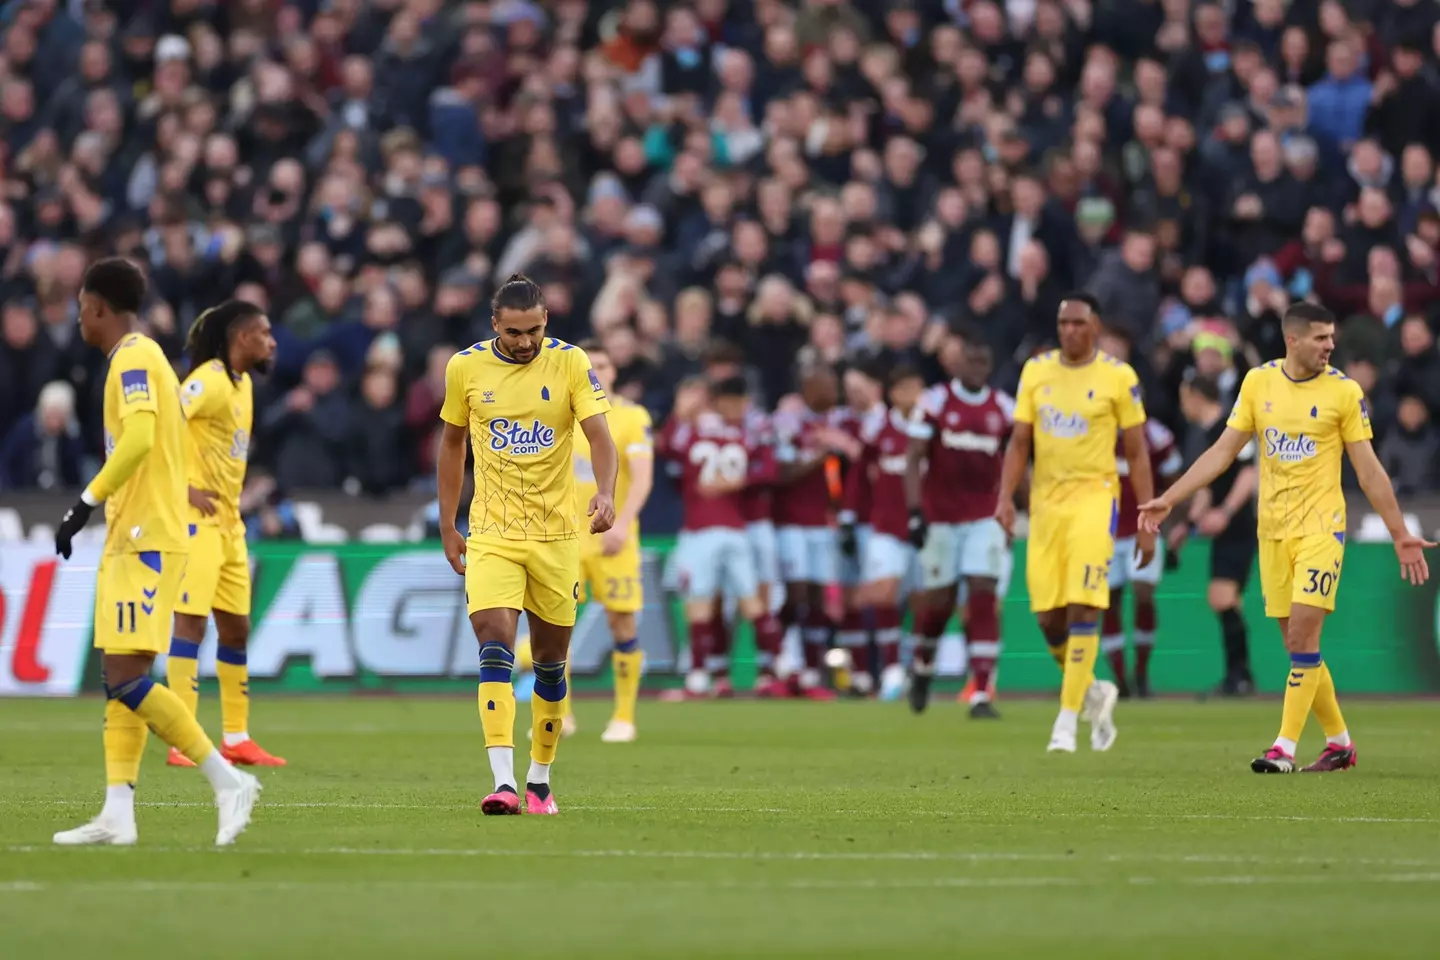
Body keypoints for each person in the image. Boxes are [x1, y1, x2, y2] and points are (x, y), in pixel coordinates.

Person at [1140, 302, 1434, 773]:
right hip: (1272, 532)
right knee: (1300, 648)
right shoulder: (1258, 383)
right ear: (1292, 340)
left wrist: (1399, 533)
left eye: (1332, 337)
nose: (1331, 346)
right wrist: (1169, 498)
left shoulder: (1344, 392)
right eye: (1321, 338)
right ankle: (1339, 744)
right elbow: (1221, 452)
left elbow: (1370, 470)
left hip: (1322, 529)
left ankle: (1283, 748)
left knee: (1302, 634)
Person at [52, 258, 260, 847]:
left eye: (81, 307)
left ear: (97, 308)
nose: (77, 318)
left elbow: (141, 437)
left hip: (146, 538)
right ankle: (118, 814)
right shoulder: (135, 357)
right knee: (121, 673)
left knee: (125, 674)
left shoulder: (135, 357)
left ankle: (226, 781)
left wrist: (84, 501)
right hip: (136, 534)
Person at [436, 274, 618, 816]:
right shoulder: (464, 367)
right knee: (493, 642)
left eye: (534, 330)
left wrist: (605, 492)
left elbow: (600, 436)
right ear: (495, 324)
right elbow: (451, 445)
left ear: (545, 323)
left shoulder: (570, 362)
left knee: (550, 663)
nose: (524, 341)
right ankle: (503, 783)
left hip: (558, 536)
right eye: (514, 332)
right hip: (492, 533)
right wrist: (449, 523)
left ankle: (539, 778)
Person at [996, 293, 1155, 754]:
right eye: (1063, 322)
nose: (1069, 330)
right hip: (1045, 505)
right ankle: (1091, 692)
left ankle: (1065, 722)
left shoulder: (1118, 377)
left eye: (1078, 323)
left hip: (1094, 499)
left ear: (1095, 326)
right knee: (1047, 618)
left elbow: (1137, 451)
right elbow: (1019, 441)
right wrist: (1006, 498)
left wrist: (1146, 515)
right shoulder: (1036, 371)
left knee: (1085, 606)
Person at [164, 301, 285, 770]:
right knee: (190, 624)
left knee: (235, 627)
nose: (272, 341)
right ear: (242, 338)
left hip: (230, 524)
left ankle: (235, 736)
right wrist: (184, 487)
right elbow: (158, 427)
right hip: (195, 524)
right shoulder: (208, 380)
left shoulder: (244, 385)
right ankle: (181, 738)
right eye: (265, 332)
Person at [905, 332, 1014, 718]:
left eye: (983, 362)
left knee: (983, 592)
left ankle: (982, 691)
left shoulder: (1004, 408)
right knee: (940, 602)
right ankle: (922, 666)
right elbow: (914, 458)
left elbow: (1017, 462)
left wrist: (1019, 507)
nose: (977, 368)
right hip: (941, 516)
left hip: (984, 515)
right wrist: (915, 512)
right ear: (957, 363)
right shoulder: (934, 402)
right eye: (970, 360)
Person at [663, 376, 789, 697]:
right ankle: (785, 664)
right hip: (735, 528)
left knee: (700, 604)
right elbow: (770, 467)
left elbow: (667, 446)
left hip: (701, 530)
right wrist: (740, 481)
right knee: (752, 602)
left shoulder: (693, 431)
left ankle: (697, 678)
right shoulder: (742, 435)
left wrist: (679, 413)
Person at [570, 337, 655, 744]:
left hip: (614, 538)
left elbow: (643, 476)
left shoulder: (631, 416)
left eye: (602, 365)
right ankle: (560, 713)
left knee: (621, 622)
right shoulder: (561, 415)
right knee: (556, 625)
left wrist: (622, 524)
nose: (597, 373)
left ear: (614, 371)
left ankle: (623, 717)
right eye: (590, 366)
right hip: (566, 537)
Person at [1099, 329, 1183, 699]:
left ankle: (1142, 670)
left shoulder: (1156, 436)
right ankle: (1121, 678)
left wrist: (1175, 525)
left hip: (1142, 530)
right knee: (1110, 601)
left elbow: (1174, 481)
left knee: (1144, 593)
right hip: (1101, 532)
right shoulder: (1095, 435)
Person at [1170, 374, 1260, 696]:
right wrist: (1188, 525)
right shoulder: (1201, 435)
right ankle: (1238, 676)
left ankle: (1241, 675)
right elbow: (1208, 487)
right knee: (1221, 598)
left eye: (1184, 397)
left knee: (1223, 597)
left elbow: (1248, 473)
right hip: (1223, 531)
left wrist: (1225, 512)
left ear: (1196, 395)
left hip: (1239, 528)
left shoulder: (1231, 426)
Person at [846, 364, 927, 702]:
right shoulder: (879, 429)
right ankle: (892, 670)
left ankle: (919, 668)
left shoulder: (930, 426)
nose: (911, 395)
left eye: (915, 387)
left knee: (924, 602)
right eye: (904, 388)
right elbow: (858, 474)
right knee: (883, 595)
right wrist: (850, 517)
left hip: (927, 528)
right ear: (893, 394)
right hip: (885, 526)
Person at [772, 366, 849, 699]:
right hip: (792, 523)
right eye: (825, 384)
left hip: (823, 524)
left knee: (820, 598)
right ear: (807, 388)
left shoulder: (839, 425)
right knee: (797, 592)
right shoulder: (790, 425)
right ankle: (784, 660)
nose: (832, 390)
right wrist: (820, 457)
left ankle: (813, 669)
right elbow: (783, 472)